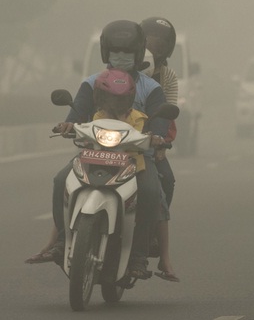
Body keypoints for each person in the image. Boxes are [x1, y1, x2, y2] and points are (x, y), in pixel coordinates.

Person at [25, 20, 168, 280]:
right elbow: (77, 112)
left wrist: (157, 136)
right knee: (60, 181)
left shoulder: (152, 88)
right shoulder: (91, 83)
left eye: (126, 53)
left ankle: (138, 256)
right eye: (115, 52)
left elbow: (160, 120)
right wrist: (68, 125)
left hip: (135, 160)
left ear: (138, 54)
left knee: (150, 191)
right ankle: (61, 242)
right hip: (93, 154)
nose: (120, 57)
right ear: (105, 53)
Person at [140, 16, 179, 282]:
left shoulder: (168, 77)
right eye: (147, 40)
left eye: (158, 42)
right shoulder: (122, 70)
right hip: (116, 137)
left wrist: (161, 140)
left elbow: (168, 113)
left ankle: (153, 231)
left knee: (167, 182)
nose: (153, 46)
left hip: (149, 142)